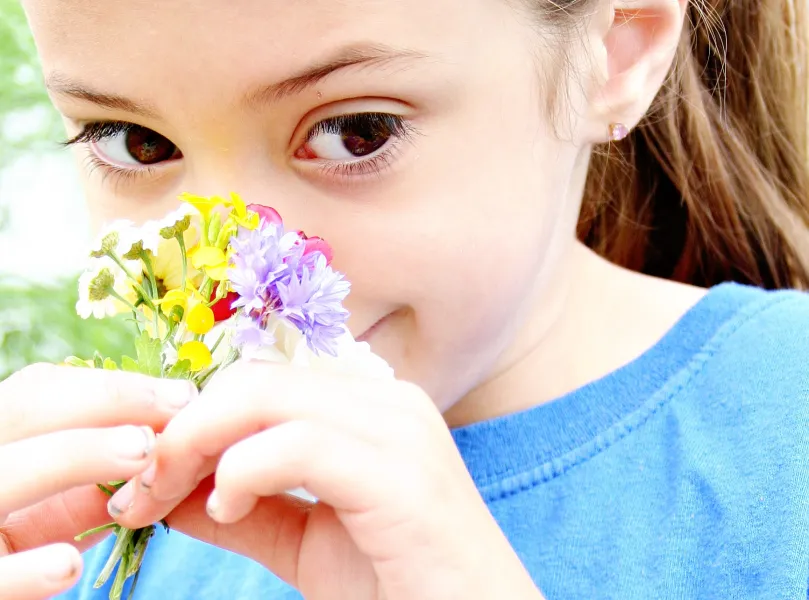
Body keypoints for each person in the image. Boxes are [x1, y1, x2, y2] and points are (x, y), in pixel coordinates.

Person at [3, 0, 808, 597]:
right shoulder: (103, 525)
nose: (230, 277)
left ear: (614, 55)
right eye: (134, 142)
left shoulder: (781, 436)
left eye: (355, 131)